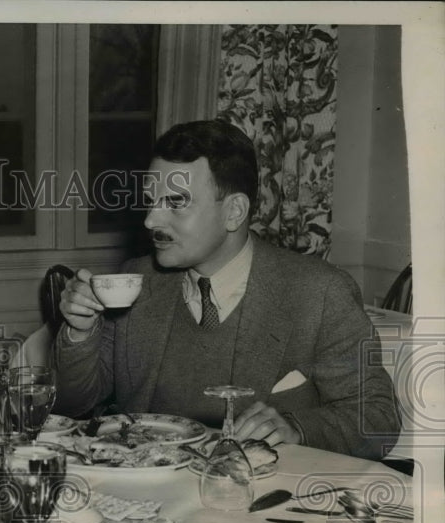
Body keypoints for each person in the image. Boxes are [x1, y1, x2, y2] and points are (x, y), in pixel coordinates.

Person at [53, 119, 400, 459]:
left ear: (234, 212)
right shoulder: (136, 280)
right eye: (150, 200)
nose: (150, 220)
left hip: (254, 500)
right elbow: (75, 405)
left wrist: (299, 427)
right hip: (148, 495)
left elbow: (377, 419)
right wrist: (79, 332)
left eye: (175, 203)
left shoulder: (320, 293)